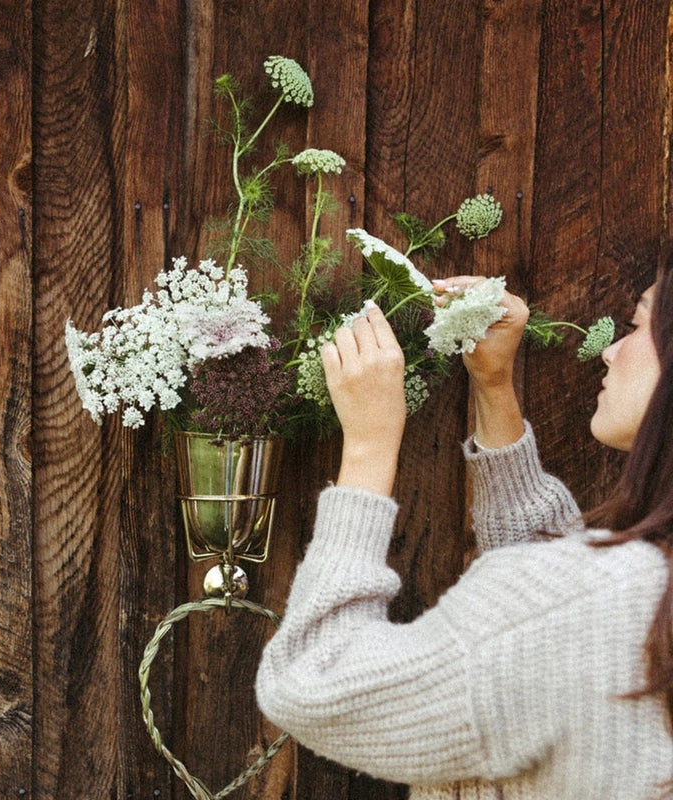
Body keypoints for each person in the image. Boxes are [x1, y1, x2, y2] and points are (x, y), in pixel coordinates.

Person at [255, 263, 673, 798]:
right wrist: (494, 385)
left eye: (638, 326)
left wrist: (369, 445)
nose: (612, 351)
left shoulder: (586, 605)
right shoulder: (609, 594)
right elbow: (541, 619)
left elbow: (313, 681)